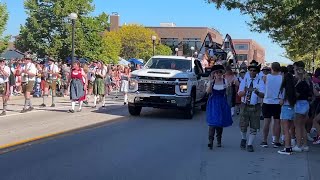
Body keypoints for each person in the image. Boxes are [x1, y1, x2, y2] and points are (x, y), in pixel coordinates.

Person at [238, 61, 265, 152]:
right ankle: (243, 138)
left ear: (257, 72)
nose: (252, 72)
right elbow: (239, 94)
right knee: (243, 125)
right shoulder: (244, 80)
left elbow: (263, 95)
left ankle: (250, 144)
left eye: (254, 70)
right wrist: (245, 91)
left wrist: (256, 92)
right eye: (251, 70)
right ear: (249, 71)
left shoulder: (260, 81)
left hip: (255, 106)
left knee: (254, 126)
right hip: (245, 105)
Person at [206, 65, 233, 149]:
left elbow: (228, 94)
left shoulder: (225, 81)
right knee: (212, 122)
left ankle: (219, 140)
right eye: (216, 72)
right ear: (214, 74)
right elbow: (208, 92)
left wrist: (228, 88)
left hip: (222, 103)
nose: (218, 74)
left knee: (219, 123)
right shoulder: (212, 82)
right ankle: (210, 141)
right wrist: (210, 83)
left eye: (220, 72)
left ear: (222, 73)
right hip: (213, 103)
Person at [261, 62, 283, 148]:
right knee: (277, 122)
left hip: (267, 101)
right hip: (277, 102)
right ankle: (276, 141)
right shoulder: (281, 78)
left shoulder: (266, 77)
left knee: (266, 122)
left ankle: (264, 141)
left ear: (271, 68)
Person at [292, 61, 311, 152]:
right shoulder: (307, 82)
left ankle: (299, 145)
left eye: (295, 70)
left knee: (298, 126)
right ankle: (305, 145)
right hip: (306, 104)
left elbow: (297, 95)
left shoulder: (300, 83)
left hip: (300, 104)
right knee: (302, 125)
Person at [277, 71, 296, 155]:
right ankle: (291, 144)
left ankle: (287, 147)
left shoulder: (283, 89)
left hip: (285, 108)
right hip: (292, 108)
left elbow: (281, 101)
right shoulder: (293, 88)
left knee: (285, 130)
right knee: (291, 128)